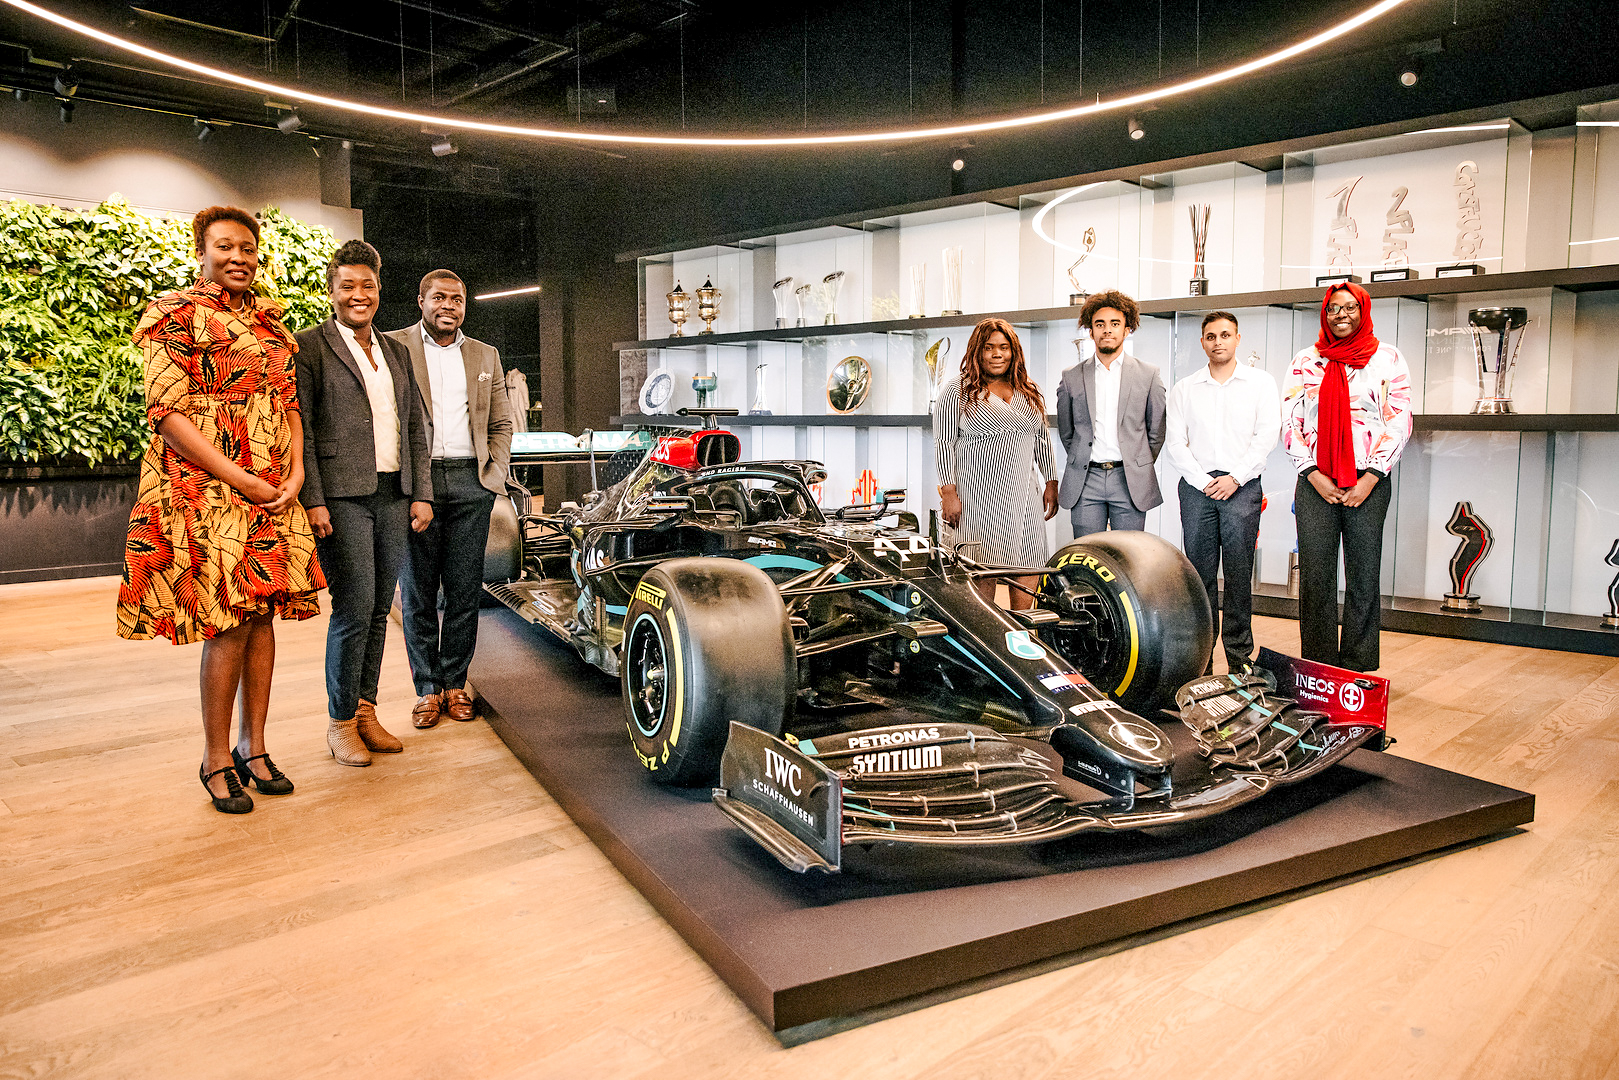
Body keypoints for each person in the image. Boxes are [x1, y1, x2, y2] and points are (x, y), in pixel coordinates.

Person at [117, 205, 325, 814]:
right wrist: (242, 480)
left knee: (263, 618)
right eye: (225, 246)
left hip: (273, 485)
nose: (238, 257)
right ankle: (214, 758)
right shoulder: (173, 314)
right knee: (228, 621)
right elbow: (167, 414)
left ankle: (253, 747)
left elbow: (290, 405)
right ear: (202, 252)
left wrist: (295, 471)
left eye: (248, 248)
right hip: (208, 487)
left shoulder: (273, 325)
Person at [296, 241, 433, 766]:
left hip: (394, 493)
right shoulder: (310, 347)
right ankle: (339, 723)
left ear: (379, 290)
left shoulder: (396, 351)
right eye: (348, 285)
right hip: (341, 497)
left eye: (368, 285)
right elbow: (304, 431)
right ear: (331, 291)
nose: (359, 295)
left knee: (379, 609)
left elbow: (413, 425)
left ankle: (365, 711)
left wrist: (421, 492)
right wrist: (314, 499)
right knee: (353, 608)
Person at [385, 270, 512, 728]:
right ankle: (427, 689)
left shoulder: (485, 354)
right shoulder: (393, 346)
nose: (448, 306)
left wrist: (492, 476)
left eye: (456, 299)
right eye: (438, 297)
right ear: (420, 301)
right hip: (415, 483)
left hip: (470, 482)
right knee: (417, 591)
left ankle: (455, 683)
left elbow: (501, 422)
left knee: (463, 591)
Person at [1282, 283, 1412, 671]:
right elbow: (1289, 421)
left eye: (1350, 307)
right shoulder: (1306, 360)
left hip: (1368, 480)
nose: (1341, 315)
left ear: (1363, 310)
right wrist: (1312, 474)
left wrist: (1370, 479)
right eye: (1333, 308)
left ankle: (1357, 667)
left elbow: (1399, 421)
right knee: (1316, 576)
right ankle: (1320, 668)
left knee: (1363, 574)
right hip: (1315, 481)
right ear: (1325, 313)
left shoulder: (1388, 359)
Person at [1164, 312, 1280, 673]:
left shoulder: (1260, 383)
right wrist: (1203, 482)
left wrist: (1235, 478)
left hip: (1241, 487)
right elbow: (1175, 443)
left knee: (1238, 574)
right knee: (1198, 576)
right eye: (1211, 336)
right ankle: (1200, 660)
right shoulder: (1185, 388)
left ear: (1238, 339)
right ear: (1202, 342)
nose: (1218, 341)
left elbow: (1267, 436)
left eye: (1225, 335)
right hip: (1197, 489)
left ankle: (1240, 660)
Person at [934, 317, 1059, 610]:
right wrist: (949, 493)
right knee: (980, 571)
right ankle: (984, 636)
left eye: (1003, 347)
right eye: (989, 347)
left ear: (1013, 352)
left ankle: (1023, 635)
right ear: (977, 351)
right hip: (978, 499)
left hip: (1025, 498)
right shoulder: (957, 390)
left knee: (1029, 566)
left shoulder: (1028, 390)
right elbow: (943, 443)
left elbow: (1042, 440)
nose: (996, 354)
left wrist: (1051, 481)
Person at [1056, 290, 1167, 536]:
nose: (1107, 330)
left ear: (1127, 330)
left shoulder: (1148, 375)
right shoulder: (1071, 377)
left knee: (1129, 553)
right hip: (1086, 480)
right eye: (1100, 324)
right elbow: (1067, 432)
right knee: (1087, 552)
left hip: (1129, 480)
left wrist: (1135, 462)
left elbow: (1156, 432)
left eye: (1115, 324)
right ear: (1091, 331)